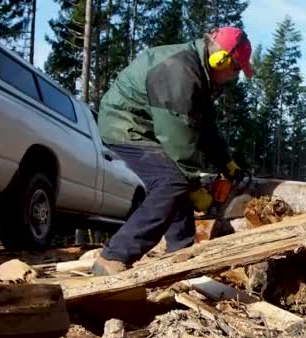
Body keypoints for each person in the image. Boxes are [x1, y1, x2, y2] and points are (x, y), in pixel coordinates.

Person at [91, 26, 254, 276]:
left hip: (151, 128)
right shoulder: (180, 72)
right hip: (126, 125)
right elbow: (178, 135)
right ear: (220, 59)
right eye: (235, 69)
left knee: (177, 180)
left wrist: (227, 164)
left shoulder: (199, 75)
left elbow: (206, 127)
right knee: (172, 182)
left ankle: (180, 254)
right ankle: (113, 257)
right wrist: (194, 186)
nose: (235, 76)